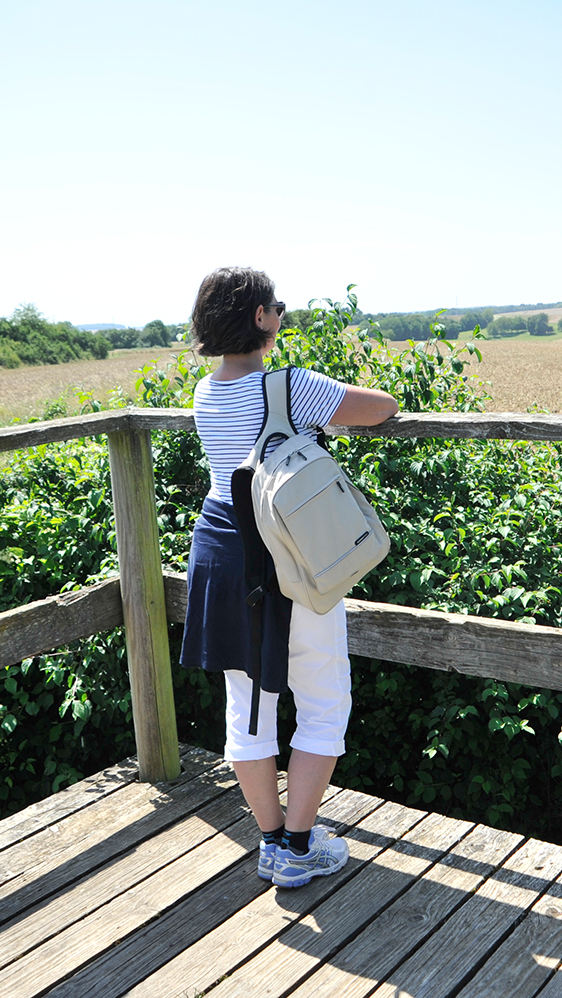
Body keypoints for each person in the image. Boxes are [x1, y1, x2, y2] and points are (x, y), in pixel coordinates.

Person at [182, 267, 399, 888]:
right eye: (276, 304)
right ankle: (299, 847)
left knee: (248, 708)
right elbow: (381, 408)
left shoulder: (205, 391)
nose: (282, 311)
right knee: (324, 701)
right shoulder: (289, 386)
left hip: (224, 552)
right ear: (259, 318)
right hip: (291, 556)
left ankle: (272, 841)